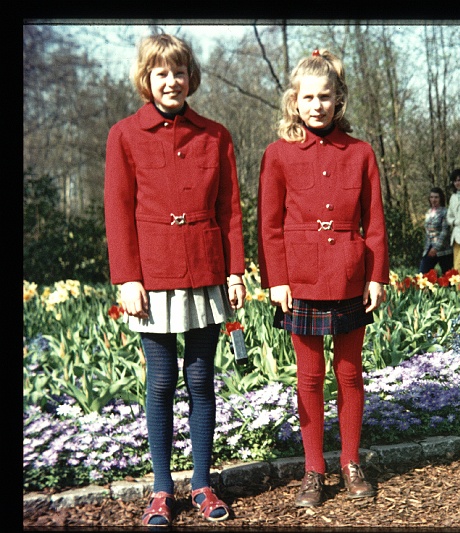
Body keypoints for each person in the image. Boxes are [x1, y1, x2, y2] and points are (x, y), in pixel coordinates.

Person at [104, 33, 245, 527]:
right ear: (147, 79)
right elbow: (118, 212)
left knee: (202, 379)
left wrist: (235, 270)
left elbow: (230, 209)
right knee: (162, 381)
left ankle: (203, 484)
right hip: (152, 276)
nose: (172, 81)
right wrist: (127, 278)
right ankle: (163, 490)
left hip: (206, 270)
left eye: (179, 72)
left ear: (191, 78)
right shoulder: (124, 134)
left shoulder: (215, 135)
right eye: (161, 73)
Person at [257, 49, 390, 508]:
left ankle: (350, 462)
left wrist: (377, 276)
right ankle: (314, 469)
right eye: (308, 97)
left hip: (352, 276)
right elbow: (269, 225)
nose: (317, 105)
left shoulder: (360, 153)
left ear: (339, 100)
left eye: (326, 97)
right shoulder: (277, 155)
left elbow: (375, 222)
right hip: (301, 280)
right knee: (309, 377)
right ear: (294, 101)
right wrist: (276, 279)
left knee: (350, 375)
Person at [418, 187, 453, 274]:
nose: (433, 200)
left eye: (436, 197)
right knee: (423, 273)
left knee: (447, 276)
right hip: (429, 247)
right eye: (431, 197)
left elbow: (445, 231)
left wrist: (436, 248)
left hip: (444, 249)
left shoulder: (445, 212)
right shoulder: (428, 212)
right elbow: (427, 232)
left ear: (441, 198)